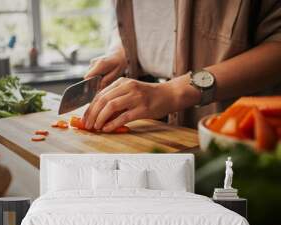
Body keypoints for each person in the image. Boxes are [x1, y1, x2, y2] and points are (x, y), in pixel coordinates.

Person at [82, 0, 281, 132]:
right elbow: (136, 17)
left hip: (237, 132)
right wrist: (122, 51)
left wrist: (174, 92)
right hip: (151, 123)